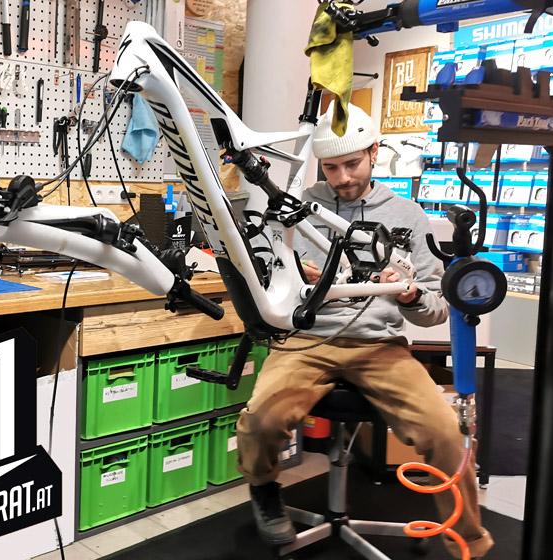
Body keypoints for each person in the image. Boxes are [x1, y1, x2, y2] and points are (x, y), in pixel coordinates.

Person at [235, 105, 494, 559]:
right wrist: (293, 280)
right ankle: (265, 491)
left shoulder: (407, 215)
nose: (342, 178)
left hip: (379, 347)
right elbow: (268, 284)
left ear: (374, 152)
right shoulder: (295, 208)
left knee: (445, 432)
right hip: (307, 341)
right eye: (331, 168)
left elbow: (435, 310)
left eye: (352, 164)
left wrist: (408, 295)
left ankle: (469, 540)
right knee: (260, 422)